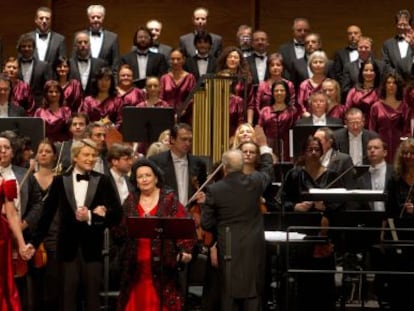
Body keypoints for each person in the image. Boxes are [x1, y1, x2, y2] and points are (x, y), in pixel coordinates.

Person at [28, 138, 122, 311]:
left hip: (93, 249)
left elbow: (117, 214)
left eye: (94, 155)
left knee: (93, 299)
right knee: (67, 299)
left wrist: (92, 217)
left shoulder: (103, 181)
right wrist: (34, 243)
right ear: (75, 157)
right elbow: (46, 216)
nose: (91, 159)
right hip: (67, 249)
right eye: (86, 154)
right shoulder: (59, 181)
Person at [201, 125, 273, 311]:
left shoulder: (214, 190)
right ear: (242, 165)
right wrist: (264, 146)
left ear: (224, 167)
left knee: (229, 292)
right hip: (253, 245)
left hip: (228, 242)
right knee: (253, 289)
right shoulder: (255, 182)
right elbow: (267, 168)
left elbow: (206, 223)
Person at [114, 158, 196, 310]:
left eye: (148, 175)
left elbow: (183, 226)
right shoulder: (131, 200)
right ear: (135, 180)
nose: (144, 179)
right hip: (136, 264)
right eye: (140, 176)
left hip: (164, 264)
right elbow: (120, 230)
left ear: (156, 177)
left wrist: (185, 251)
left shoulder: (169, 199)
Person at [281, 135, 341, 311]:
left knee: (323, 283)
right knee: (302, 282)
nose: (314, 153)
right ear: (304, 152)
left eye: (317, 149)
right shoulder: (294, 174)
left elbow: (339, 204)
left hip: (324, 233)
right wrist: (296, 206)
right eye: (310, 149)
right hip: (300, 234)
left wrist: (325, 206)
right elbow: (282, 202)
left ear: (322, 152)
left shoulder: (332, 175)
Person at [0, 136, 30, 311]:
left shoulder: (8, 181)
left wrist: (21, 244)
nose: (2, 151)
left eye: (6, 147)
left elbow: (11, 213)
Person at [384, 138, 414, 311]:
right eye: (405, 153)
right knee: (400, 279)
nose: (408, 156)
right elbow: (389, 210)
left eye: (411, 153)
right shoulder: (395, 179)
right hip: (400, 234)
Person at [31, 139, 60, 310]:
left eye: (47, 151)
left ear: (55, 156)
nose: (43, 154)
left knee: (54, 283)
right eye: (40, 151)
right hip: (33, 238)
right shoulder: (28, 179)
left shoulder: (61, 180)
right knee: (35, 285)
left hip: (54, 237)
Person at [149, 123, 207, 206]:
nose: (188, 143)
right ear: (172, 139)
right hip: (165, 212)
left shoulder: (199, 163)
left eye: (190, 140)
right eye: (184, 139)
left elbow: (203, 190)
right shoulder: (156, 161)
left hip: (191, 213)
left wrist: (202, 197)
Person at [369, 72, 411, 163]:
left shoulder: (405, 106)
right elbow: (372, 130)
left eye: (394, 82)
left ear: (398, 86)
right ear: (384, 85)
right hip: (381, 146)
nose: (391, 85)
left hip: (399, 146)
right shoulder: (376, 107)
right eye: (388, 82)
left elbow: (407, 130)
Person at [258, 80, 297, 161]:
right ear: (272, 93)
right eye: (276, 91)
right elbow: (260, 130)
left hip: (287, 148)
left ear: (286, 93)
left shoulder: (293, 111)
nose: (279, 93)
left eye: (282, 90)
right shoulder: (265, 110)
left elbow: (295, 131)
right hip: (269, 147)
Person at [253, 53, 296, 123]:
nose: (275, 67)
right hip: (265, 122)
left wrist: (284, 118)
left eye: (278, 65)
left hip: (286, 121)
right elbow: (257, 106)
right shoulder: (262, 85)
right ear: (268, 68)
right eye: (272, 65)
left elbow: (292, 104)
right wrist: (265, 118)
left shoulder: (289, 84)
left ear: (283, 67)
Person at [215, 46, 254, 122]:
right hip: (220, 117)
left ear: (240, 61)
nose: (232, 59)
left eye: (236, 57)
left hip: (240, 117)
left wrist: (249, 124)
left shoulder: (246, 79)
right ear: (225, 59)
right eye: (230, 57)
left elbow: (250, 104)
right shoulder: (218, 77)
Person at [78, 4, 120, 73]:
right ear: (89, 18)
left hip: (105, 80)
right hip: (83, 79)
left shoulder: (113, 38)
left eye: (98, 17)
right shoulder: (79, 36)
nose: (96, 19)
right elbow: (74, 61)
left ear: (103, 18)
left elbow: (115, 64)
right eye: (93, 17)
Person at [160, 48, 196, 123]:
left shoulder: (190, 77)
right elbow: (161, 97)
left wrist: (183, 110)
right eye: (172, 59)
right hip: (167, 115)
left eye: (178, 59)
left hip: (185, 116)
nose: (175, 62)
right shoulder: (164, 78)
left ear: (183, 60)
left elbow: (193, 98)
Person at [355, 137, 393, 211]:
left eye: (376, 148)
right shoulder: (361, 179)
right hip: (371, 220)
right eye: (369, 148)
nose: (372, 150)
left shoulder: (395, 173)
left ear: (385, 153)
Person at [69, 31, 107, 97]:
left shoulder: (100, 64)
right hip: (73, 104)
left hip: (94, 103)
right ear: (75, 46)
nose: (83, 45)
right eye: (80, 42)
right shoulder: (69, 64)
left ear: (90, 45)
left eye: (85, 42)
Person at [16, 34, 50, 108]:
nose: (27, 48)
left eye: (29, 46)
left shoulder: (43, 66)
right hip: (18, 104)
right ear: (19, 49)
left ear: (34, 48)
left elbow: (48, 87)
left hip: (38, 105)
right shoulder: (14, 66)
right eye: (24, 46)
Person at [344, 59, 381, 127]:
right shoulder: (353, 91)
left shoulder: (380, 92)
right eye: (366, 70)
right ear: (361, 72)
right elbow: (347, 110)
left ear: (376, 73)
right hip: (355, 126)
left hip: (375, 127)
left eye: (372, 70)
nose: (368, 73)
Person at [381, 9, 414, 80]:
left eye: (405, 24)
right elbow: (386, 64)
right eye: (400, 24)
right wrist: (397, 78)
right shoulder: (387, 44)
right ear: (396, 25)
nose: (402, 27)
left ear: (410, 25)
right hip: (396, 83)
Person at [296, 50, 331, 116]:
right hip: (307, 120)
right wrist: (305, 114)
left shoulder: (330, 84)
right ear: (310, 65)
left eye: (321, 62)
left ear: (325, 65)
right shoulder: (304, 84)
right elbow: (300, 104)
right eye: (315, 62)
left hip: (328, 119)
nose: (318, 65)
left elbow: (333, 103)